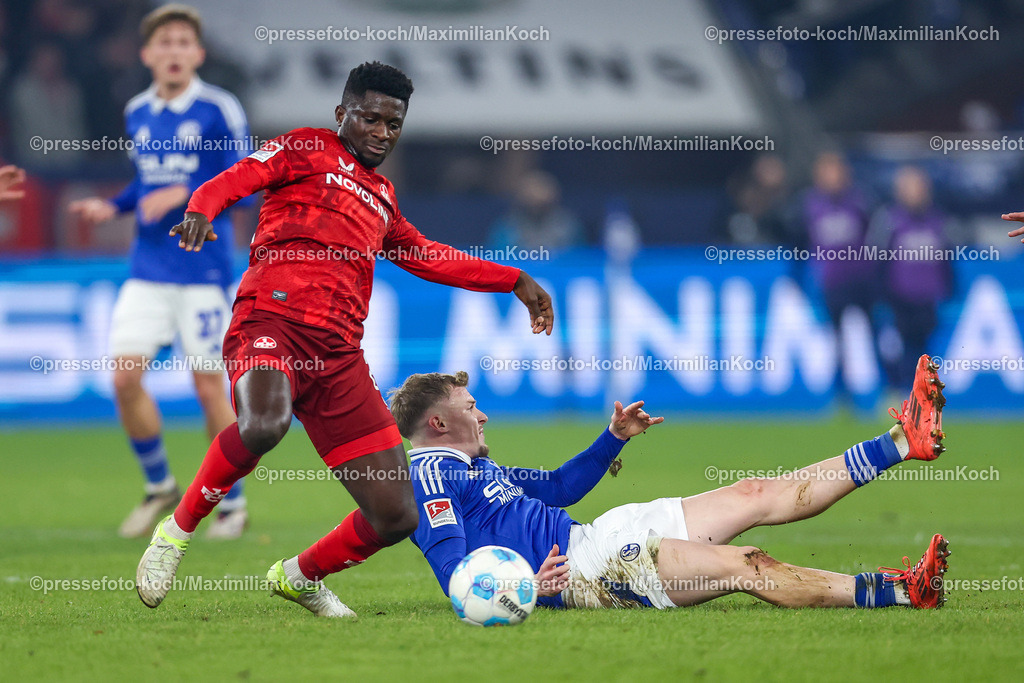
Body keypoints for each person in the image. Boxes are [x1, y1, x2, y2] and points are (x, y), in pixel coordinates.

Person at [134, 61, 554, 617]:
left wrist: (514, 279)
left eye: (393, 124)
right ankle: (176, 531)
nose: (382, 132)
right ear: (343, 114)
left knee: (398, 514)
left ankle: (298, 576)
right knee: (264, 424)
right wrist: (200, 209)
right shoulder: (305, 148)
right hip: (270, 325)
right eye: (372, 118)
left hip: (337, 360)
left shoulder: (382, 197)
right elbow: (238, 178)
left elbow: (427, 255)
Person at [395, 355, 950, 611]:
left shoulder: (475, 469)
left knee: (752, 493)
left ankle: (903, 442)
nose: (484, 415)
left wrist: (613, 438)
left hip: (597, 536)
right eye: (472, 407)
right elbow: (454, 574)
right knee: (748, 566)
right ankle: (900, 592)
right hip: (595, 572)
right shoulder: (428, 475)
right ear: (439, 423)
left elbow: (561, 487)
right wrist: (524, 590)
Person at [69, 5, 251, 539]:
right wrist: (115, 206)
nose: (173, 51)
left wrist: (187, 190)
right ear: (148, 55)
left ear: (197, 53)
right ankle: (160, 487)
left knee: (207, 385)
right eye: (163, 43)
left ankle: (232, 502)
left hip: (202, 269)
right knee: (124, 378)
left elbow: (245, 170)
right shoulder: (137, 111)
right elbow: (145, 181)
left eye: (183, 42)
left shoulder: (219, 107)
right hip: (147, 268)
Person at [867, 166, 953, 389]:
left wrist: (948, 289)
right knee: (898, 350)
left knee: (927, 352)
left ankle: (925, 398)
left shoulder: (937, 220)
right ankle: (898, 391)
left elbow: (946, 259)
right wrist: (881, 296)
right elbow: (877, 259)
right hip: (898, 298)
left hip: (927, 297)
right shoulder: (889, 220)